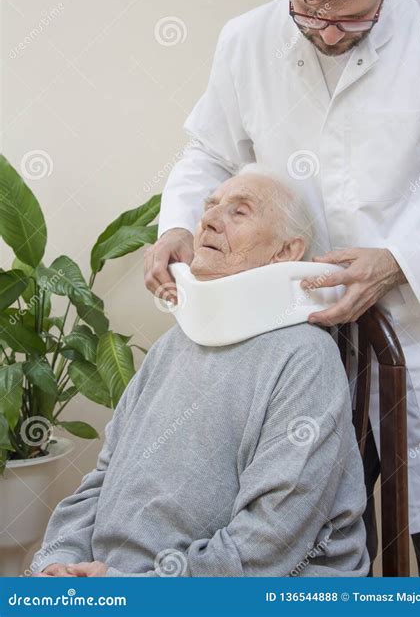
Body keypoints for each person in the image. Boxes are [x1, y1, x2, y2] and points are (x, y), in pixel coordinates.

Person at [145, 0, 420, 576]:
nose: (327, 35)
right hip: (294, 346)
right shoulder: (247, 40)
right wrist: (177, 224)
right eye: (309, 15)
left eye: (351, 21)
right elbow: (206, 153)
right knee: (303, 544)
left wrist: (399, 262)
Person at [30, 168, 369, 578]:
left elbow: (272, 539)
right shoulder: (171, 346)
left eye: (239, 212)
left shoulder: (305, 359)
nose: (208, 220)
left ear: (286, 251)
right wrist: (57, 561)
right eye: (209, 207)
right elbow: (102, 481)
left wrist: (136, 591)